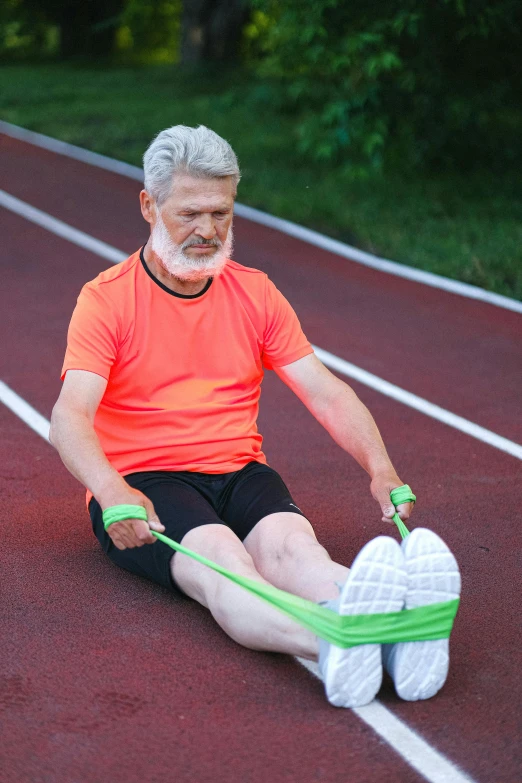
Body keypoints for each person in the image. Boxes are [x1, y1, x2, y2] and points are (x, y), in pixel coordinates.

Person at [50, 125, 460, 709]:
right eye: (190, 212)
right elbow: (69, 417)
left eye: (221, 211)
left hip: (241, 470)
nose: (208, 230)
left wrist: (381, 469)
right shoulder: (106, 299)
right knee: (226, 566)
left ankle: (396, 622)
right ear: (148, 205)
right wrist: (110, 489)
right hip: (144, 484)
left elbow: (324, 391)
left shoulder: (255, 293)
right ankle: (335, 642)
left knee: (297, 553)